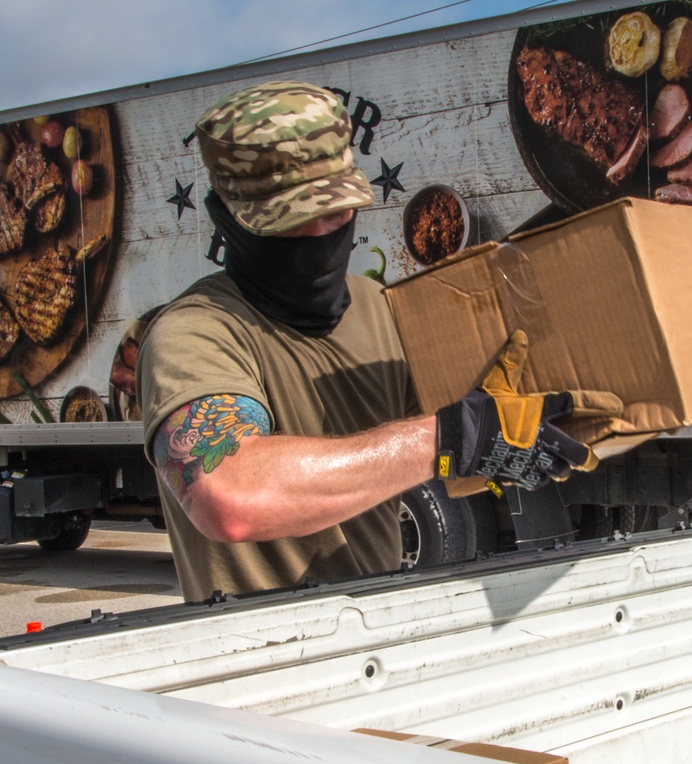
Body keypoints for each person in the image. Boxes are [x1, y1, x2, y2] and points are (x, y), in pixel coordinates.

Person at [136, 81, 601, 603]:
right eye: (290, 219)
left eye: (334, 212)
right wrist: (446, 438)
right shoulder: (196, 331)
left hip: (373, 635)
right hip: (260, 658)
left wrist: (507, 437)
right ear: (226, 218)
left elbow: (464, 419)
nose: (318, 234)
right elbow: (231, 497)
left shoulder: (382, 306)